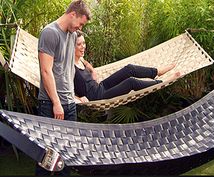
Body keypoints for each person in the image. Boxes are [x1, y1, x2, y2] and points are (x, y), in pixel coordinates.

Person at [36, 0, 91, 176]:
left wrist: (73, 97)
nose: (80, 27)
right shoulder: (49, 33)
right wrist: (56, 103)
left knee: (67, 153)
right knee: (47, 155)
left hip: (69, 103)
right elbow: (46, 71)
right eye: (80, 23)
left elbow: (68, 69)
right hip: (50, 104)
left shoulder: (73, 35)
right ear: (72, 14)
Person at [74, 31, 181, 103]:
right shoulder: (68, 68)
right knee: (131, 82)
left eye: (84, 43)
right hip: (98, 98)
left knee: (129, 68)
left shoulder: (81, 59)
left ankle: (157, 72)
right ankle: (161, 83)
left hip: (100, 86)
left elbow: (87, 65)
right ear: (70, 47)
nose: (83, 46)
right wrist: (79, 98)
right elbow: (63, 92)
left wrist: (93, 71)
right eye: (79, 44)